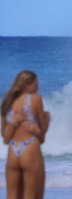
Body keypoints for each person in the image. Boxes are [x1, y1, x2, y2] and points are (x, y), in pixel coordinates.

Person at [1, 70, 50, 199]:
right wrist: (46, 121)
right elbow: (41, 138)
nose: (38, 88)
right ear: (25, 85)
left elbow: (5, 140)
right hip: (30, 149)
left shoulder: (7, 102)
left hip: (13, 151)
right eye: (35, 84)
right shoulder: (36, 99)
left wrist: (13, 123)